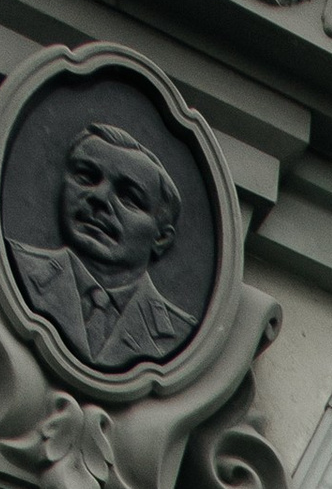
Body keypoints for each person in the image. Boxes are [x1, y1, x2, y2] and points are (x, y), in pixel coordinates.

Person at [13, 123, 195, 371]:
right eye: (87, 177)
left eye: (129, 197)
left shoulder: (182, 334)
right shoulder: (14, 268)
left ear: (161, 238)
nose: (99, 197)